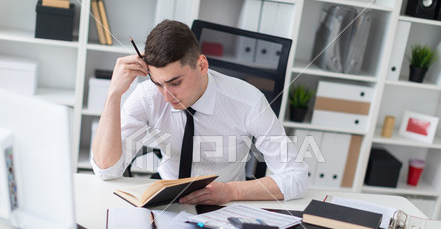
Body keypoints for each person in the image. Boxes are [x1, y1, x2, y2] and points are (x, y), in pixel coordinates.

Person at [91, 20, 308, 205]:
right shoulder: (147, 96)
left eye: (175, 83)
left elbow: (296, 177)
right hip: (165, 199)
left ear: (202, 65)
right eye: (158, 83)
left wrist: (233, 191)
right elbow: (107, 171)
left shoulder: (248, 102)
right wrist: (113, 95)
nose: (167, 97)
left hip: (225, 203)